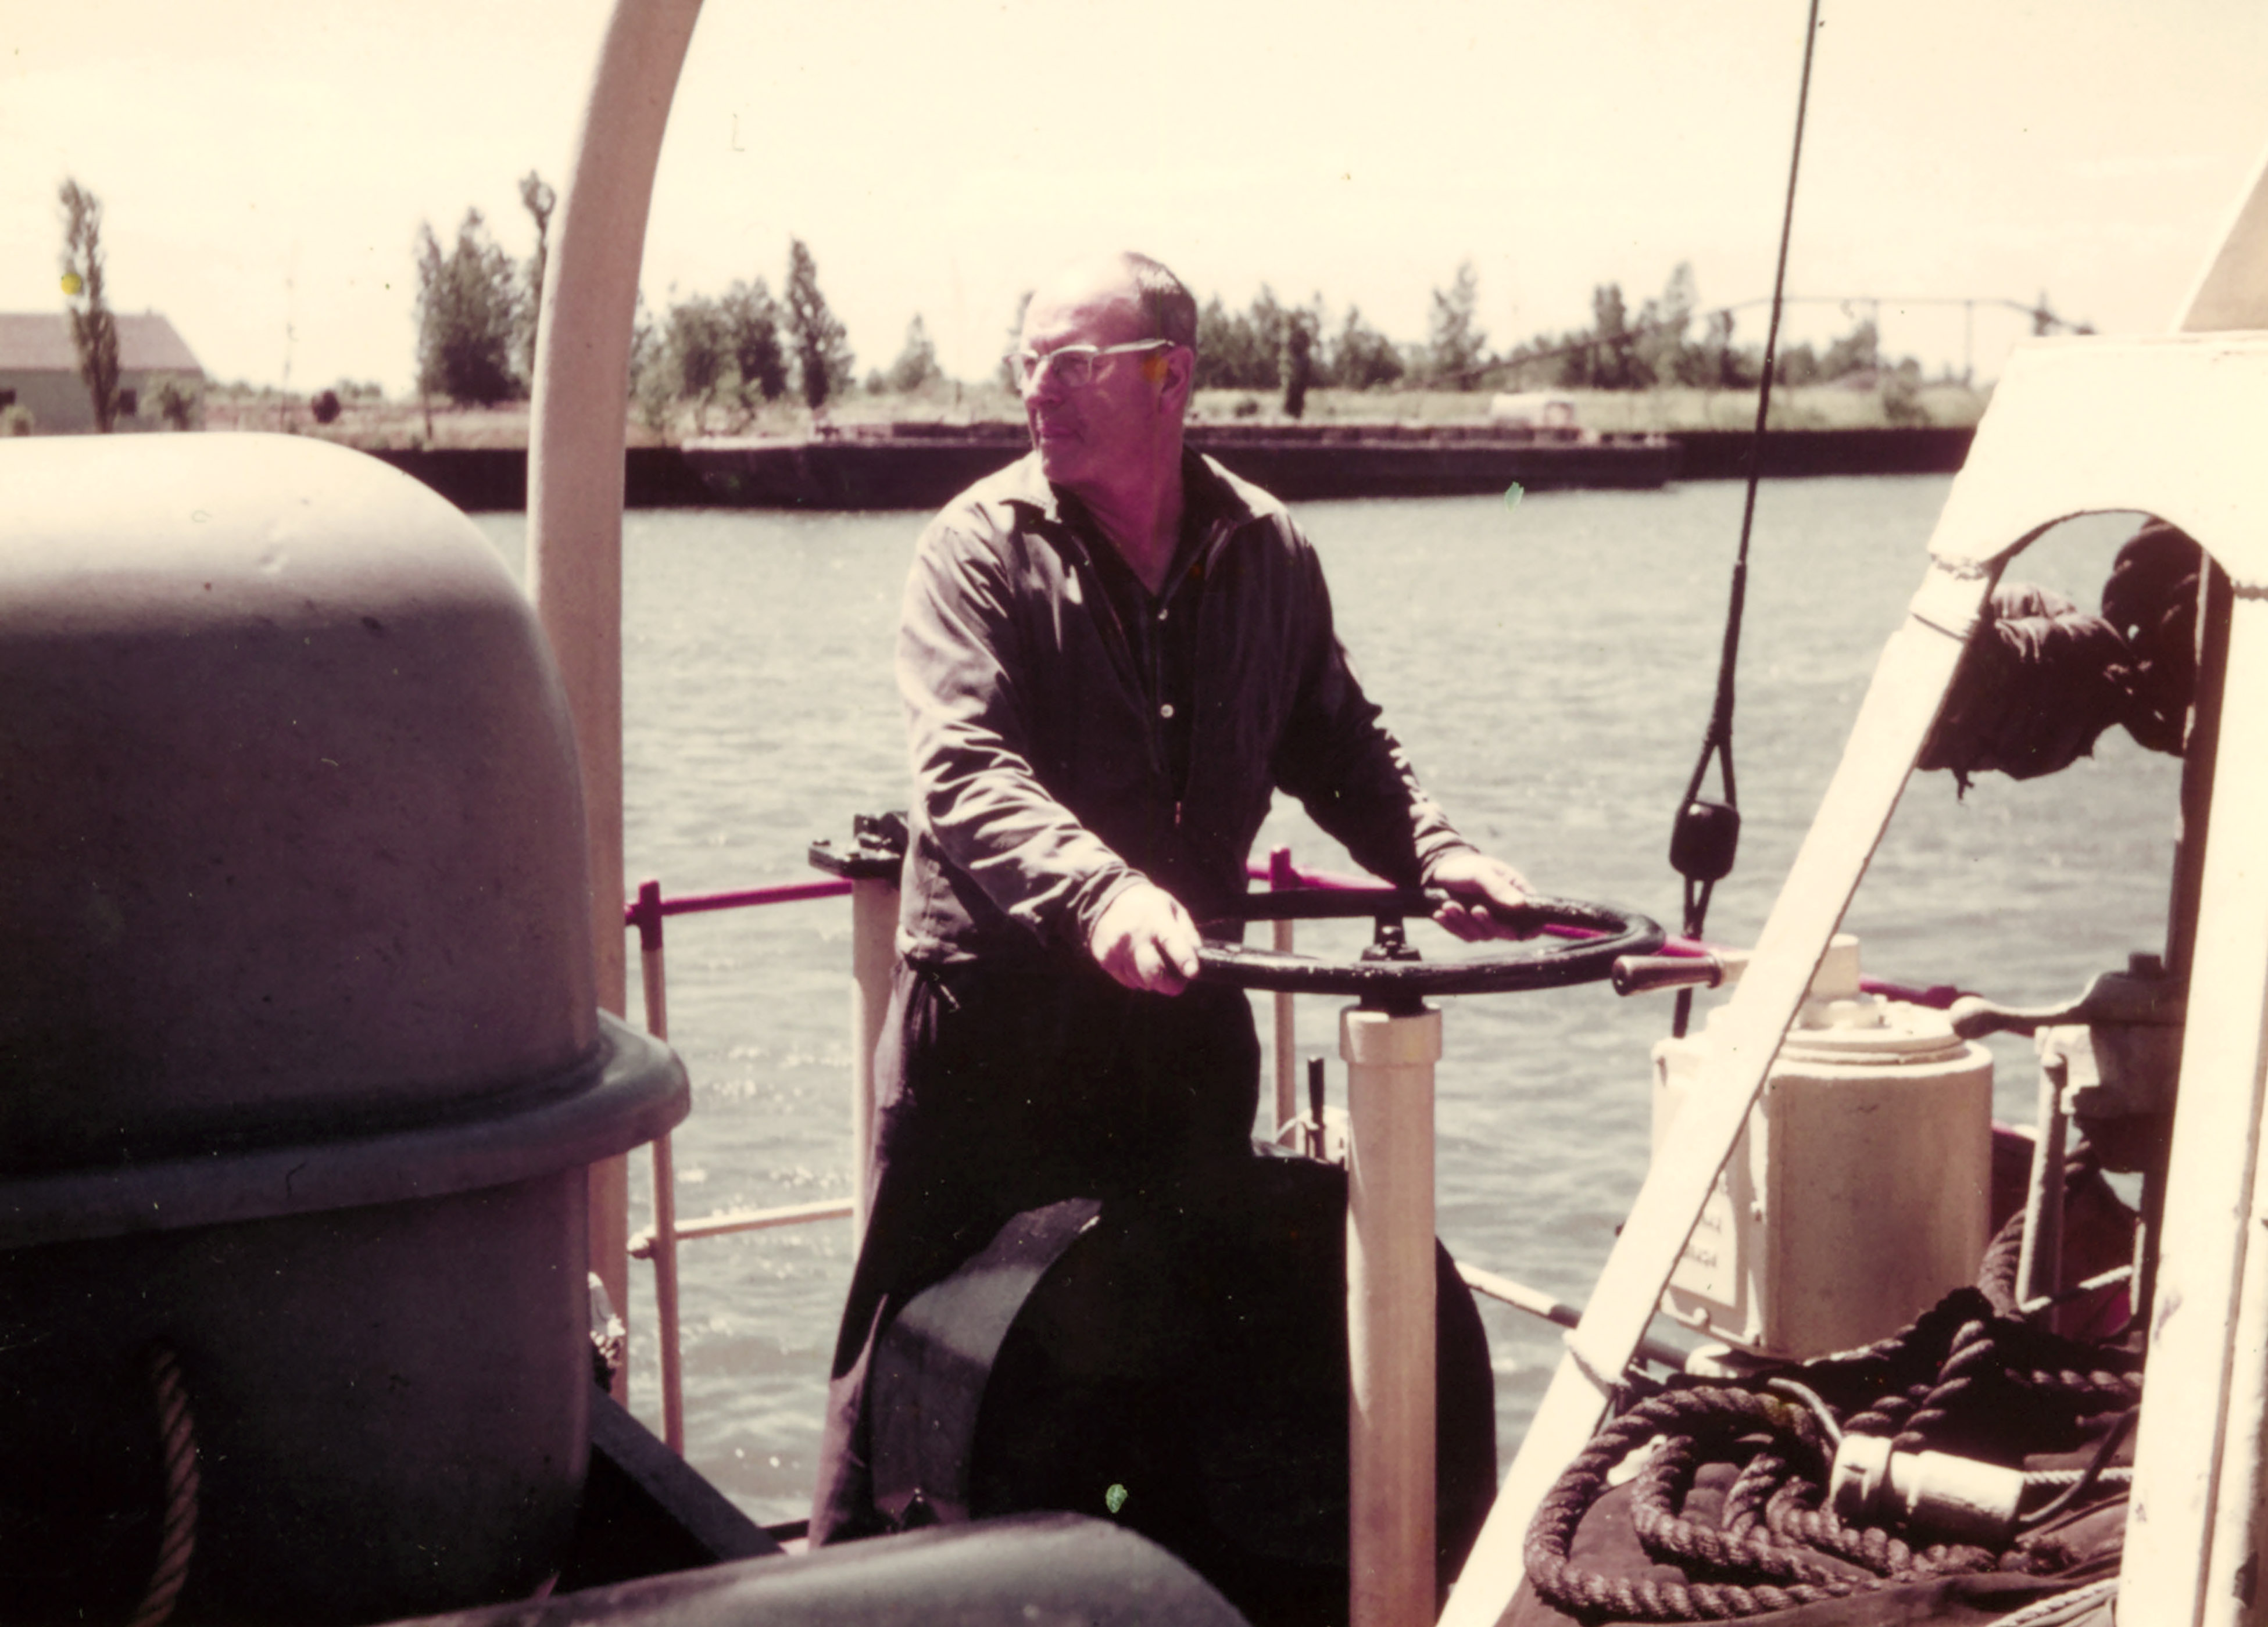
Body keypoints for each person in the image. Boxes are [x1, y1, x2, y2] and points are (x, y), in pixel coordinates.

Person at [810, 251, 1536, 1543]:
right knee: (909, 1354)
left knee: (1174, 1334)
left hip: (1178, 1015)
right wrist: (1098, 893)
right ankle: (856, 1582)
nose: (1042, 389)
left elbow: (1334, 737)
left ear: (1172, 378)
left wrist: (1434, 852)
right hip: (995, 1027)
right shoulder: (976, 550)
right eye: (1028, 362)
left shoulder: (1265, 550)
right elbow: (963, 770)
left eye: (1075, 363)